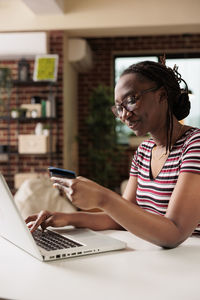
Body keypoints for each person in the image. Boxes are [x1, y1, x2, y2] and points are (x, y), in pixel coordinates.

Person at [26, 59, 200, 249]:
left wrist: (103, 197)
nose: (124, 115)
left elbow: (174, 233)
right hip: (158, 256)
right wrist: (65, 218)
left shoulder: (194, 145)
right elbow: (122, 217)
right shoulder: (143, 152)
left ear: (162, 95)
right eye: (119, 107)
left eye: (131, 100)